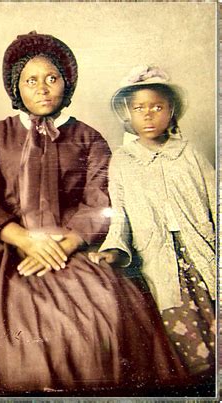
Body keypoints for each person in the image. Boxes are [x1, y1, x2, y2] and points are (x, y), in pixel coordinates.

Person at [0, 32, 187, 393]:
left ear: (67, 82)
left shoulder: (89, 138)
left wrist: (61, 246)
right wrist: (25, 240)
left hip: (71, 248)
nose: (43, 89)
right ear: (17, 87)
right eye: (31, 81)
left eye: (52, 78)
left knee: (105, 307)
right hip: (7, 247)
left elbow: (99, 202)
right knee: (18, 323)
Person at [89, 65, 216, 379]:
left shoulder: (190, 154)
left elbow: (217, 200)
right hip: (159, 263)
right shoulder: (122, 162)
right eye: (139, 108)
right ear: (127, 114)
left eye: (157, 107)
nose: (148, 115)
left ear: (171, 111)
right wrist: (113, 250)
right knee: (184, 339)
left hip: (202, 255)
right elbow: (118, 216)